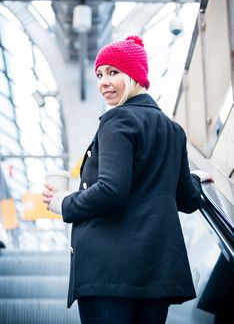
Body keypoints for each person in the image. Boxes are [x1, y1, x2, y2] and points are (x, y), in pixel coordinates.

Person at [42, 35, 212, 324]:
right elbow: (187, 199)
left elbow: (111, 190)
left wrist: (63, 203)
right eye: (99, 74)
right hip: (156, 272)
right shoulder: (173, 130)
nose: (103, 82)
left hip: (109, 273)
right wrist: (194, 178)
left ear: (135, 76)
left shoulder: (117, 120)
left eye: (113, 72)